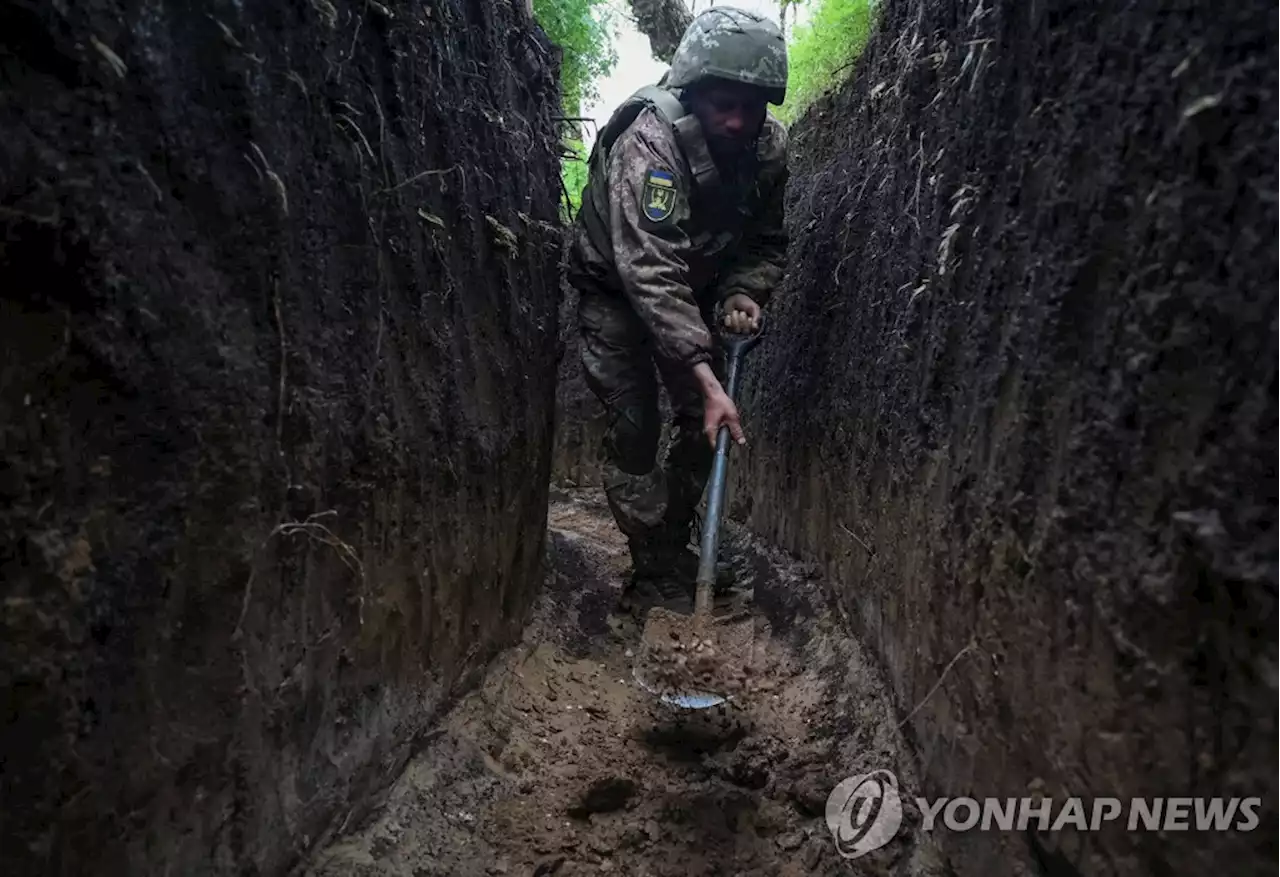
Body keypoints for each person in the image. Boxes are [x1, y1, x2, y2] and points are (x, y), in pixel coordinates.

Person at [566, 6, 790, 604]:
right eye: (724, 104)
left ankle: (673, 531)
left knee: (704, 426)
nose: (740, 120)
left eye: (754, 104)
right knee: (634, 429)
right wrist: (705, 370)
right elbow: (648, 268)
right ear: (694, 93)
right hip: (617, 293)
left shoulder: (767, 151)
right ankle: (656, 565)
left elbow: (765, 241)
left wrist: (745, 289)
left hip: (686, 296)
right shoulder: (652, 140)